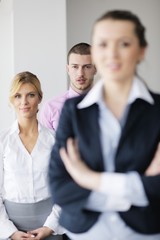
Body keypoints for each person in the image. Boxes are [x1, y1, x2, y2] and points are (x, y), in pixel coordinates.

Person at [48, 10, 160, 240]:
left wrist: (90, 179)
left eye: (124, 44)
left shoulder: (157, 111)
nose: (112, 53)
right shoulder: (72, 111)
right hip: (84, 233)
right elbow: (59, 187)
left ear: (141, 50)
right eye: (103, 44)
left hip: (144, 233)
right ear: (95, 53)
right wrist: (137, 186)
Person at [0, 71, 65, 240]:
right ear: (12, 100)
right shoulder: (2, 141)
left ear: (40, 98)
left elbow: (64, 187)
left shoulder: (55, 140)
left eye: (30, 95)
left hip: (50, 224)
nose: (24, 102)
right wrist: (10, 232)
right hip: (10, 226)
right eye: (18, 96)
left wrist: (49, 227)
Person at [39, 42, 96, 131]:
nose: (80, 73)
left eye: (87, 67)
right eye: (75, 67)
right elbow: (45, 144)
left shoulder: (109, 105)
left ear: (95, 69)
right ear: (68, 69)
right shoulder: (50, 108)